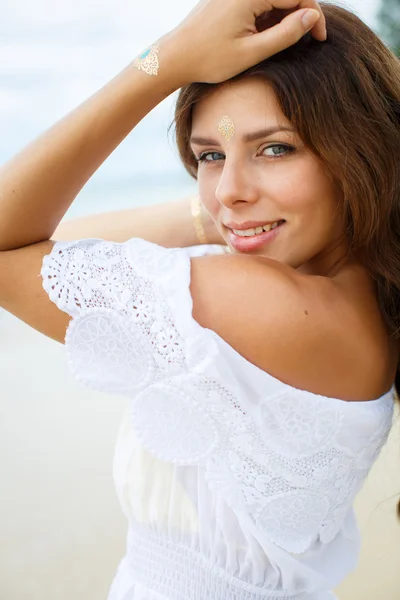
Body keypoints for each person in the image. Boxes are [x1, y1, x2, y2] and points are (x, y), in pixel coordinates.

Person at [0, 0, 399, 598]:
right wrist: (234, 218)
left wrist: (163, 62)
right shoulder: (358, 301)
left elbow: (8, 249)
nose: (228, 190)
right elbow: (44, 244)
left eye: (275, 149)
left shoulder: (268, 306)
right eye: (209, 155)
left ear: (358, 150)